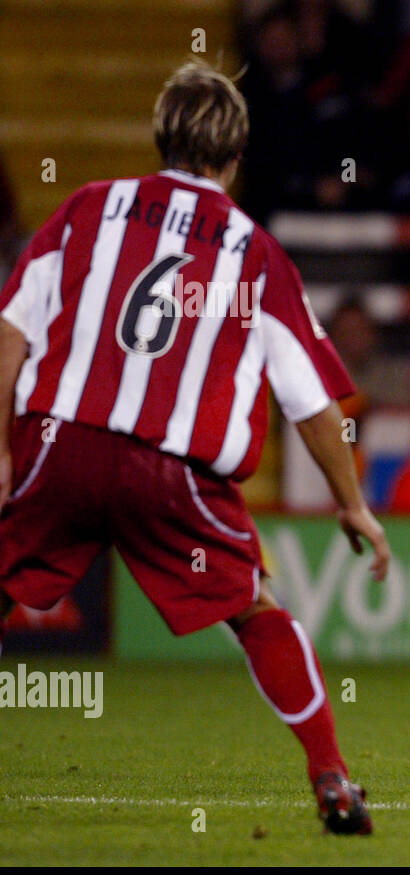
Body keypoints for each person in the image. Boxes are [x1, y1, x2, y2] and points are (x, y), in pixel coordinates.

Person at [0, 62, 390, 834]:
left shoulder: (87, 208)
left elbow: (10, 331)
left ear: (160, 135)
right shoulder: (255, 253)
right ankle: (332, 776)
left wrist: (5, 451)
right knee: (254, 609)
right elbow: (311, 404)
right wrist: (351, 504)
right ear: (236, 152)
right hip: (172, 472)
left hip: (62, 442)